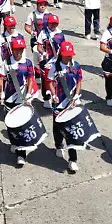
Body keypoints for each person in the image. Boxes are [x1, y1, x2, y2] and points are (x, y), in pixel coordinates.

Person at [0, 37, 37, 166]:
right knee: (10, 125)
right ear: (12, 50)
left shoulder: (28, 63)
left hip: (22, 98)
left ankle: (21, 154)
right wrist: (1, 93)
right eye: (16, 50)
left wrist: (29, 93)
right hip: (9, 98)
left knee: (21, 126)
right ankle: (14, 143)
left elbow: (30, 78)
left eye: (20, 49)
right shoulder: (6, 63)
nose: (18, 52)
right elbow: (1, 78)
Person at [45, 41, 83, 173]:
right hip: (59, 102)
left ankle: (73, 159)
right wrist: (53, 94)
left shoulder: (76, 66)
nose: (69, 58)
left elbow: (79, 81)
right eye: (66, 55)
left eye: (70, 55)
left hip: (72, 103)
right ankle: (59, 145)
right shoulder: (54, 67)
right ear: (61, 54)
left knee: (72, 130)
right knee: (58, 126)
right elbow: (49, 81)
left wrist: (77, 95)